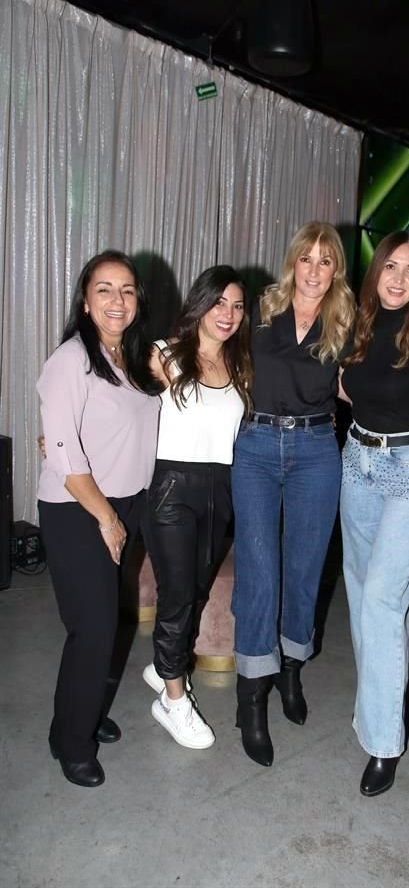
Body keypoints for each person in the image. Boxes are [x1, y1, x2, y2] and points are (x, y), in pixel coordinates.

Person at [231, 221, 355, 767]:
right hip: (255, 445)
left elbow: (364, 387)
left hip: (316, 451)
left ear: (336, 271)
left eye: (325, 261)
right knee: (259, 567)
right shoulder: (259, 311)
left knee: (305, 568)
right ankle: (251, 695)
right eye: (306, 258)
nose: (313, 269)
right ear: (293, 262)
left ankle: (290, 670)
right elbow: (208, 349)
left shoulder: (348, 323)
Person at [37, 250, 161, 787]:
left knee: (98, 626)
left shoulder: (131, 360)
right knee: (94, 628)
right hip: (80, 509)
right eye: (105, 289)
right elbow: (63, 452)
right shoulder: (70, 360)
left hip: (124, 504)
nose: (117, 300)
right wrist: (107, 519)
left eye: (127, 290)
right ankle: (73, 744)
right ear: (86, 302)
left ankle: (73, 717)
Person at [338, 230, 409, 797]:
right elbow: (346, 386)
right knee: (360, 595)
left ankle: (384, 744)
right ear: (375, 271)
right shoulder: (358, 329)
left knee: (384, 598)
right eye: (391, 267)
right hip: (357, 460)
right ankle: (371, 711)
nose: (399, 279)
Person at [141, 266, 252, 749]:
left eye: (237, 305)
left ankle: (162, 663)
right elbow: (118, 404)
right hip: (171, 488)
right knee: (178, 593)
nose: (227, 314)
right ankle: (171, 696)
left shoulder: (241, 366)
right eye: (219, 302)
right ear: (199, 303)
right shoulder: (163, 355)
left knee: (198, 589)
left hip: (220, 488)